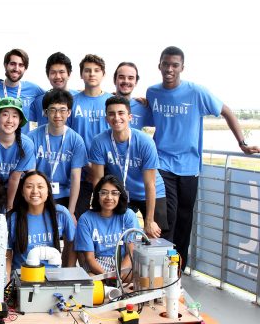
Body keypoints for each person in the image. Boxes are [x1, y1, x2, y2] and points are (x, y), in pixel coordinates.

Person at [146, 46, 260, 270]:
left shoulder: (196, 92)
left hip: (189, 167)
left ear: (182, 68)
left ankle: (178, 271)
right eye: (165, 64)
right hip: (162, 164)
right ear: (159, 65)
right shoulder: (152, 92)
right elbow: (146, 113)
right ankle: (162, 269)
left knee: (185, 221)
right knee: (168, 218)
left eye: (174, 65)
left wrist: (243, 144)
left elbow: (226, 111)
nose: (169, 69)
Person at [89, 96, 168, 239]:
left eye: (121, 113)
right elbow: (98, 181)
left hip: (149, 192)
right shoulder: (99, 142)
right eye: (111, 114)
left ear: (130, 117)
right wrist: (102, 210)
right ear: (106, 118)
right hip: (121, 193)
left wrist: (149, 221)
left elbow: (150, 184)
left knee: (155, 235)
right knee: (119, 236)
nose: (116, 117)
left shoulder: (145, 142)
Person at [27, 89, 87, 222]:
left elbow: (75, 177)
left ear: (69, 112)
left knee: (70, 230)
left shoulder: (76, 140)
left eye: (62, 110)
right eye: (53, 109)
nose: (57, 114)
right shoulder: (32, 137)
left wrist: (70, 212)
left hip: (64, 195)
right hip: (39, 193)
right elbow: (30, 174)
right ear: (45, 112)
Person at [68, 54, 112, 219]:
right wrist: (86, 166)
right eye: (87, 70)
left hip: (107, 168)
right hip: (81, 169)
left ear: (103, 74)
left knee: (105, 216)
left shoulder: (111, 100)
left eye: (96, 70)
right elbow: (69, 136)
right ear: (81, 74)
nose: (92, 74)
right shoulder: (72, 101)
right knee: (80, 217)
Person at [7, 171, 76, 275]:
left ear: (48, 191)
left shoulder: (60, 213)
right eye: (29, 186)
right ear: (22, 191)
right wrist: (6, 281)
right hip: (23, 277)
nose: (35, 191)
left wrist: (67, 272)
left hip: (53, 277)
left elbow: (72, 243)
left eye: (40, 187)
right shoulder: (13, 218)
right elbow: (7, 252)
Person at [75, 175, 140, 275]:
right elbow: (89, 258)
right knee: (92, 284)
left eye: (114, 193)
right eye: (104, 193)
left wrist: (118, 275)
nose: (109, 197)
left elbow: (131, 252)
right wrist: (109, 278)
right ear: (97, 195)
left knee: (142, 279)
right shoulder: (85, 219)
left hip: (123, 263)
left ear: (120, 196)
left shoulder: (128, 215)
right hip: (97, 265)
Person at [0, 48, 44, 133]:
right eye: (12, 64)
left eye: (21, 65)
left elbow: (53, 96)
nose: (16, 68)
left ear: (25, 69)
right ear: (5, 65)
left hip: (21, 144)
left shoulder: (33, 89)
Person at [29, 52, 80, 127]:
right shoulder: (38, 102)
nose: (58, 76)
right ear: (48, 75)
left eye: (61, 72)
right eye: (53, 73)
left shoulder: (79, 98)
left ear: (69, 74)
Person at [113, 61, 153, 129]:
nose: (126, 81)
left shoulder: (143, 107)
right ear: (114, 80)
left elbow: (163, 123)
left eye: (130, 78)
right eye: (121, 77)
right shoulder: (104, 104)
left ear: (136, 82)